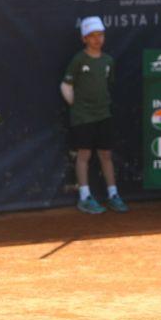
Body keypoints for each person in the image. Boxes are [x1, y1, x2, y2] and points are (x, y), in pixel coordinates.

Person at [60, 16, 128, 214]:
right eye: (92, 36)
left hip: (103, 114)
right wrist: (77, 106)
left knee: (106, 154)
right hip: (83, 117)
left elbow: (107, 84)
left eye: (100, 35)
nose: (97, 39)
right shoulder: (78, 60)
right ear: (84, 39)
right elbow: (65, 85)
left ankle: (113, 195)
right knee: (84, 154)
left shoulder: (108, 61)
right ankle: (85, 197)